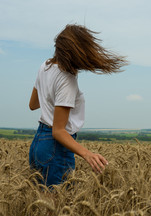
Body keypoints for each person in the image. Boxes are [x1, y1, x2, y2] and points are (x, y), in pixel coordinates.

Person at [28, 24, 127, 186]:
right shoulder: (68, 80)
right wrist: (87, 154)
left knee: (42, 200)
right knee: (57, 204)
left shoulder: (45, 65)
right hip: (55, 148)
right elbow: (58, 131)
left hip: (38, 144)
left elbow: (33, 104)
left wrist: (49, 94)